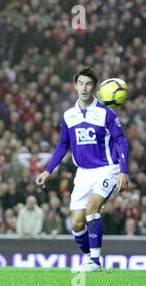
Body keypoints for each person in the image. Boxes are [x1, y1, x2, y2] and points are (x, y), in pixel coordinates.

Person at [36, 67, 130, 272]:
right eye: (80, 83)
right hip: (83, 173)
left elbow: (121, 140)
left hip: (107, 169)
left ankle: (95, 261)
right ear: (75, 86)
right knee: (77, 224)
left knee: (92, 208)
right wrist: (47, 170)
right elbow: (62, 145)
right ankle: (90, 258)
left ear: (95, 87)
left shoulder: (106, 113)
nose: (84, 88)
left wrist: (123, 170)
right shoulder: (68, 115)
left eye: (88, 84)